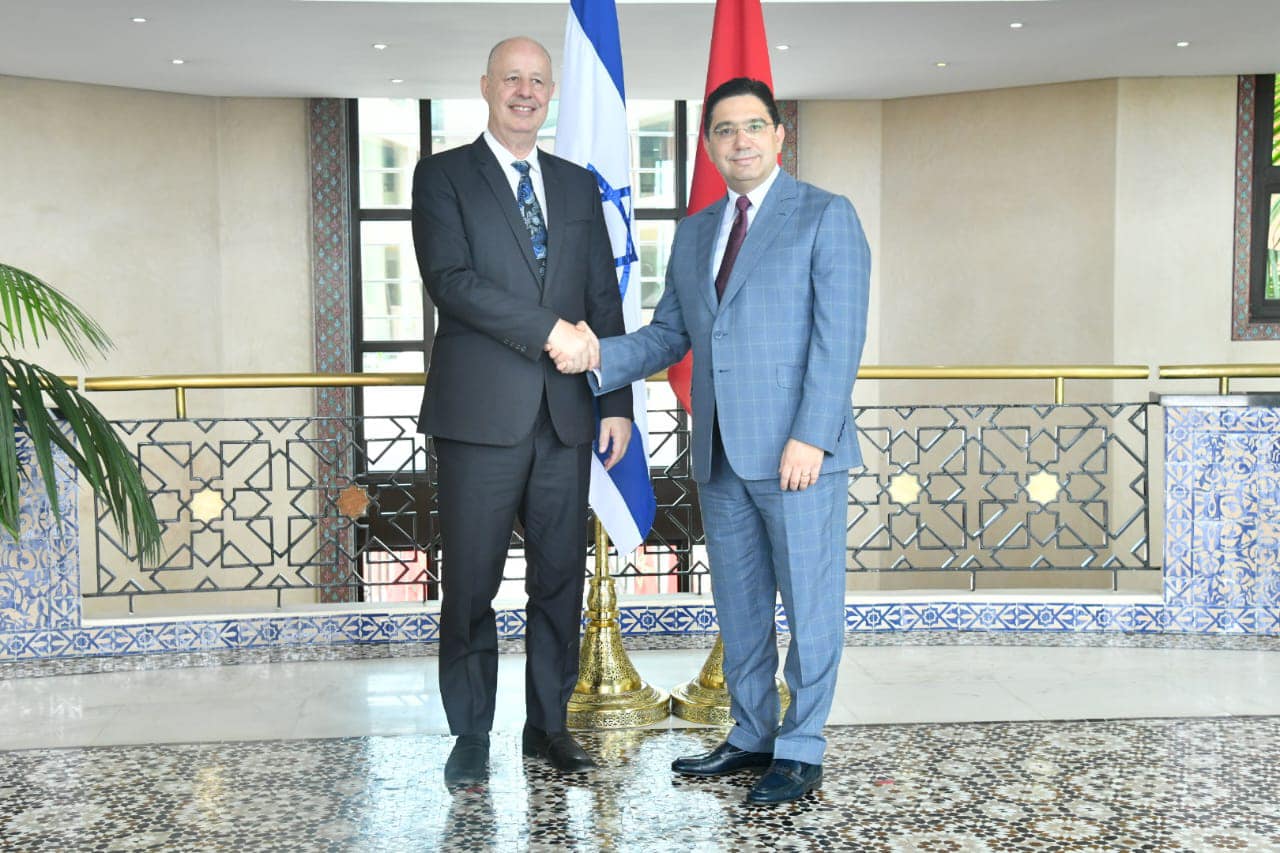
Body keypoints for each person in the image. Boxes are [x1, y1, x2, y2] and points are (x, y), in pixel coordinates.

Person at [551, 77, 870, 805]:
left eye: (754, 126)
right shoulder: (697, 232)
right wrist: (594, 354)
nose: (740, 141)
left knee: (811, 607)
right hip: (721, 453)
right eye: (725, 130)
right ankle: (752, 733)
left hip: (798, 456)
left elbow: (840, 338)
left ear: (779, 135)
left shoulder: (825, 215)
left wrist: (812, 437)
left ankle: (802, 747)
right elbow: (671, 334)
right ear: (710, 145)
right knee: (742, 607)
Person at [411, 35, 633, 788]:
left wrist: (616, 399)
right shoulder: (442, 176)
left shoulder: (575, 185)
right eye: (512, 78)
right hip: (479, 419)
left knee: (558, 580)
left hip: (566, 417)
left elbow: (601, 295)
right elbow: (452, 282)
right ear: (486, 86)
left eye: (538, 80)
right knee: (471, 583)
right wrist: (549, 331)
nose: (526, 91)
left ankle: (548, 726)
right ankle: (471, 731)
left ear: (552, 92)